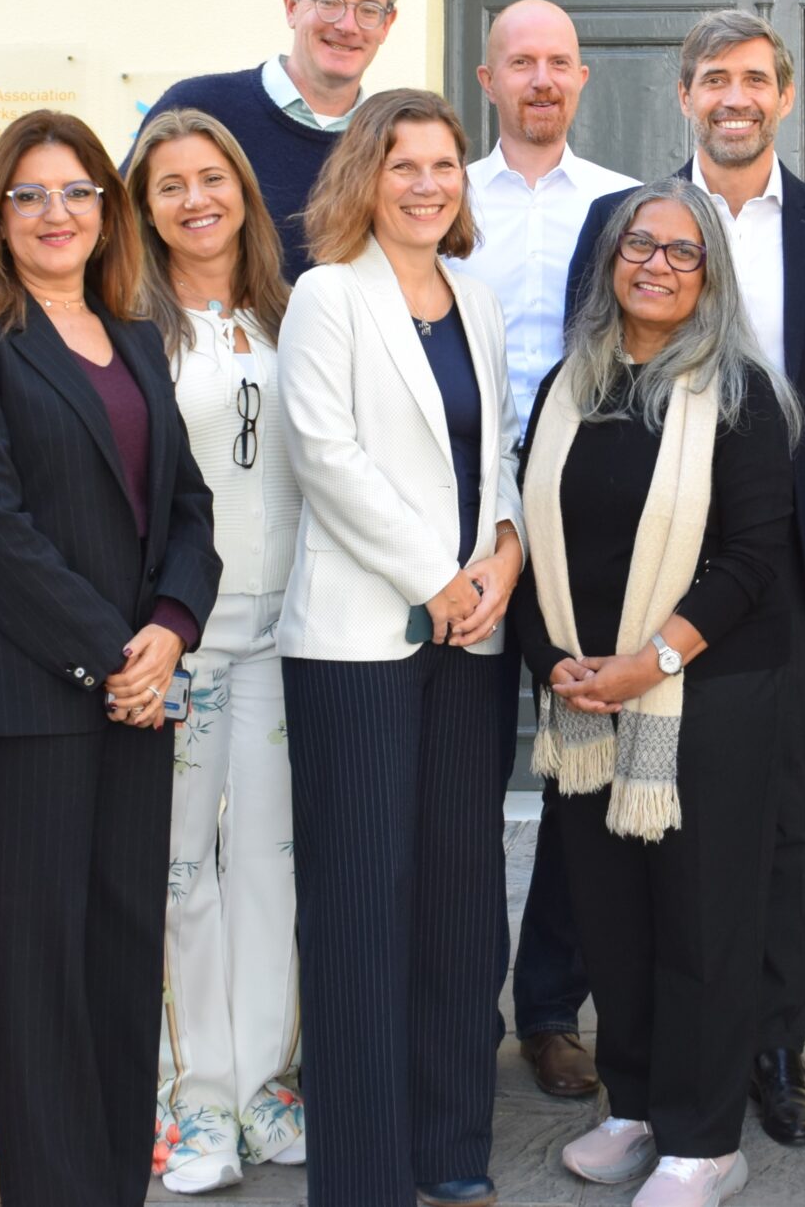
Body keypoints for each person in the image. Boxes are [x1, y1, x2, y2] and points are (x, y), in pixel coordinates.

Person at [565, 9, 805, 1148]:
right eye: (713, 78)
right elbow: (592, 368)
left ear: (784, 96)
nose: (734, 96)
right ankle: (650, 1057)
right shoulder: (629, 223)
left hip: (784, 563)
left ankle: (772, 1045)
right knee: (635, 811)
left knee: (781, 818)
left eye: (754, 77)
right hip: (641, 565)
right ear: (684, 95)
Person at [0, 110, 222, 1207]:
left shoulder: (133, 334)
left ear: (107, 209)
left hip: (138, 694)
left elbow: (187, 507)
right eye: (32, 195)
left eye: (78, 192)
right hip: (36, 700)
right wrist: (115, 660)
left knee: (121, 954)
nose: (58, 214)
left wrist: (171, 628)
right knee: (40, 973)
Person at [513, 179, 802, 1207]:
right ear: (610, 258)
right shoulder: (570, 382)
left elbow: (752, 560)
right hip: (587, 699)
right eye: (641, 244)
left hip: (707, 694)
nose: (658, 266)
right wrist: (552, 658)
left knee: (700, 920)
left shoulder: (739, 393)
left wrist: (654, 661)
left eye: (685, 252)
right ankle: (634, 1106)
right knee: (613, 918)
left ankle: (704, 1140)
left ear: (710, 275)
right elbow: (530, 533)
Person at [279, 90, 526, 1207]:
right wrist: (435, 578)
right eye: (403, 164)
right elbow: (325, 455)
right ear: (364, 179)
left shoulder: (476, 297)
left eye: (443, 165)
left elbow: (495, 453)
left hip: (472, 635)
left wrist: (505, 556)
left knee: (461, 896)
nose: (427, 185)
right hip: (359, 642)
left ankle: (449, 1144)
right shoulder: (328, 295)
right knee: (361, 903)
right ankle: (366, 1172)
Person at [449, 0, 636, 1099]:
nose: (541, 79)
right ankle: (461, 1001)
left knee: (579, 769)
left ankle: (554, 1008)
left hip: (582, 526)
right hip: (461, 524)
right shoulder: (442, 196)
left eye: (559, 61)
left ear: (581, 77)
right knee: (462, 775)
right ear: (488, 80)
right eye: (520, 62)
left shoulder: (622, 206)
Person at [125, 110, 306, 1195]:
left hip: (290, 633)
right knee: (181, 872)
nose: (196, 200)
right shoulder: (129, 329)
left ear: (243, 189)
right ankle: (191, 1103)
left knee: (274, 868)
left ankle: (265, 1088)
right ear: (144, 211)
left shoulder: (294, 312)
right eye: (170, 186)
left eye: (212, 178)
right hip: (182, 640)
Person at [141, 0, 403, 277]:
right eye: (329, 2)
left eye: (368, 10)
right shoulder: (198, 108)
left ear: (387, 24)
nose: (347, 25)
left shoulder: (390, 143)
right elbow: (122, 231)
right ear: (292, 6)